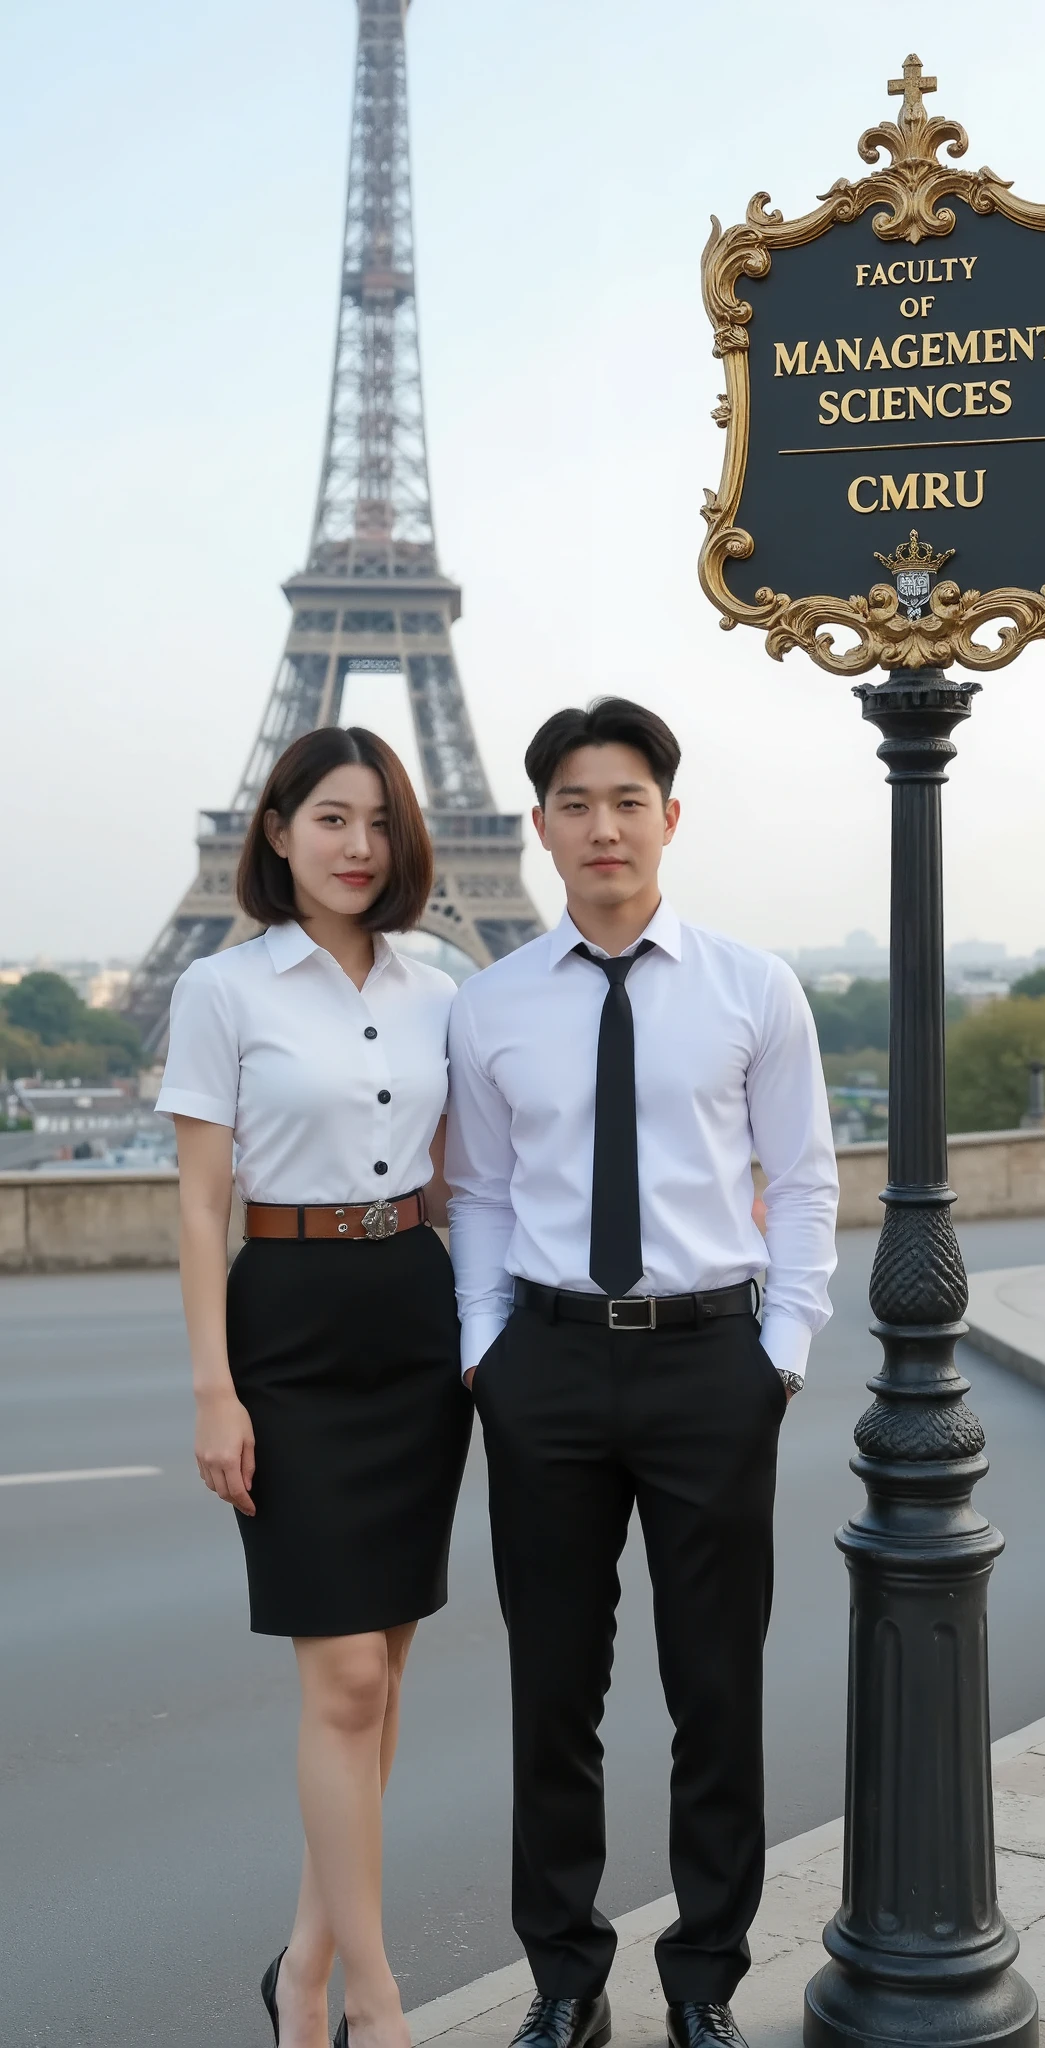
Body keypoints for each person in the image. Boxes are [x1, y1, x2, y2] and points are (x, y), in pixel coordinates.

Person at [445, 697, 839, 2048]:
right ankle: (565, 1978)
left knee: (714, 1693)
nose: (602, 825)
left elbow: (801, 1178)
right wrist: (484, 1352)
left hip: (709, 1365)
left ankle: (705, 1980)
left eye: (627, 800)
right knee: (553, 1695)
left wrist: (778, 1356)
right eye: (574, 801)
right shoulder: (489, 1005)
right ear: (541, 825)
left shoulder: (753, 989)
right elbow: (482, 1193)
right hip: (545, 1366)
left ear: (669, 818)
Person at [157, 726, 472, 2048]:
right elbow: (196, 1201)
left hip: (416, 1313)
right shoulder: (223, 990)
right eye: (331, 818)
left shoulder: (447, 982)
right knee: (342, 1679)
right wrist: (212, 1389)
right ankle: (376, 2003)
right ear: (275, 830)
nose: (358, 846)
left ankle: (301, 1970)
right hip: (285, 1326)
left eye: (379, 822)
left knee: (381, 1682)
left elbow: (472, 1177)